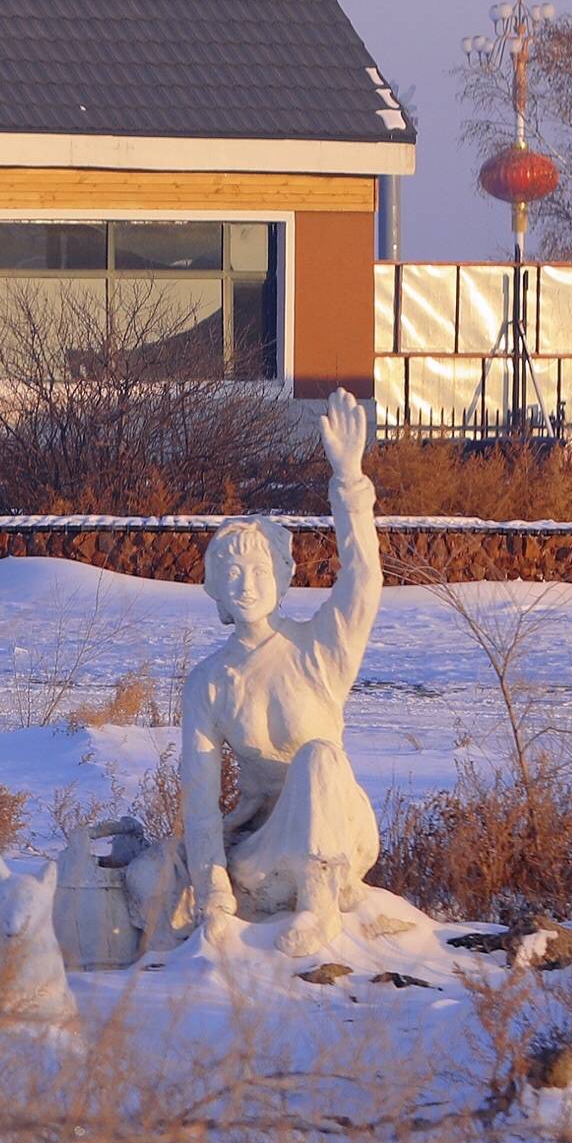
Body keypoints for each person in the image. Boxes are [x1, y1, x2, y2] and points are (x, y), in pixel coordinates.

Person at [175, 389, 394, 957]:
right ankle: (297, 900)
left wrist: (348, 479)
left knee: (319, 755)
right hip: (268, 849)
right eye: (230, 571)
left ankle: (319, 909)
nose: (245, 582)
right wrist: (214, 894)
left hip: (341, 834)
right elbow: (199, 800)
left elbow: (364, 580)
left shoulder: (319, 650)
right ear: (215, 588)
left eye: (257, 568)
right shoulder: (209, 683)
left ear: (282, 574)